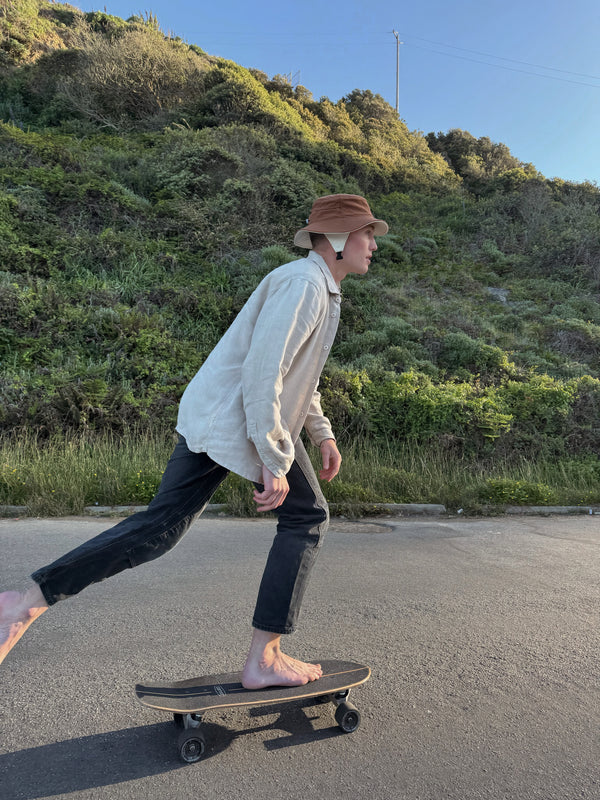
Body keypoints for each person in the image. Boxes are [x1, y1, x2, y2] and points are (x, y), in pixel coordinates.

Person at [0, 194, 388, 688]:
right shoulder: (304, 285)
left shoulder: (316, 286)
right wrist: (273, 454)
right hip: (232, 421)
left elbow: (296, 375)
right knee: (293, 518)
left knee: (162, 527)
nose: (374, 243)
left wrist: (321, 431)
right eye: (366, 232)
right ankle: (263, 657)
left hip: (234, 419)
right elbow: (263, 372)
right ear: (337, 239)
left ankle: (25, 602)